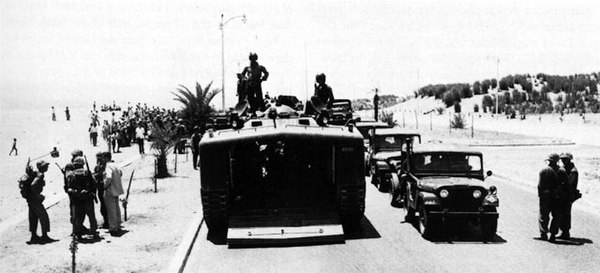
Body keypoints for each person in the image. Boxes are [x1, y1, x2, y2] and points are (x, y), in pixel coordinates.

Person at [66, 156, 100, 240]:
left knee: (78, 216)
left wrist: (76, 192)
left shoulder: (71, 174)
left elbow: (69, 188)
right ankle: (94, 232)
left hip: (77, 199)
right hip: (87, 197)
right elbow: (94, 183)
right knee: (91, 216)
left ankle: (78, 233)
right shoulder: (87, 172)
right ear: (83, 164)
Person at [538, 153, 567, 242]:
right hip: (557, 197)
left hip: (546, 196)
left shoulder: (543, 170)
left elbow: (540, 185)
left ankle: (544, 233)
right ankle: (553, 235)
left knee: (543, 215)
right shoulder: (562, 170)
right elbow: (566, 185)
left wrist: (541, 195)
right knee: (556, 216)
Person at [26, 160, 56, 244]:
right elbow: (33, 185)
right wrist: (38, 196)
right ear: (42, 167)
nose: (47, 167)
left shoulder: (35, 173)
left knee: (33, 217)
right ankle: (45, 236)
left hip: (30, 199)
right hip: (35, 199)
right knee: (43, 216)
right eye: (46, 166)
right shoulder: (40, 175)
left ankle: (34, 236)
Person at [102, 152, 124, 236]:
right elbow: (121, 173)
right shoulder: (115, 165)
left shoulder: (108, 166)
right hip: (116, 189)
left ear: (106, 158)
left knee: (111, 209)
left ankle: (113, 227)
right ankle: (118, 224)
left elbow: (108, 177)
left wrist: (105, 185)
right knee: (116, 207)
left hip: (109, 189)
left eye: (103, 158)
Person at [559, 152, 579, 239]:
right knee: (561, 213)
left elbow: (569, 184)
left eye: (565, 159)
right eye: (562, 159)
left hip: (568, 195)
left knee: (566, 213)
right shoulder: (565, 168)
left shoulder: (573, 171)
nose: (563, 161)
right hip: (564, 194)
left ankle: (565, 232)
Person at [94, 152, 109, 229]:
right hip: (99, 188)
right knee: (102, 206)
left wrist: (95, 175)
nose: (98, 159)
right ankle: (106, 221)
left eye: (100, 157)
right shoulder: (98, 166)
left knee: (105, 206)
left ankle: (107, 222)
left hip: (104, 187)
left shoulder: (106, 166)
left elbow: (102, 174)